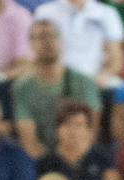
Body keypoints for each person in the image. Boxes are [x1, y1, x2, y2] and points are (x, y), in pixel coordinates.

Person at [13, 19, 102, 158]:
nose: (47, 42)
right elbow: (28, 139)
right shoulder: (22, 88)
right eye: (41, 37)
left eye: (52, 36)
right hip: (43, 163)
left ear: (62, 41)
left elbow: (91, 131)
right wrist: (51, 165)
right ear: (31, 45)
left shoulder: (85, 82)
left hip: (80, 158)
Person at [34, 0, 124, 87]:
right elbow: (36, 52)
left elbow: (116, 59)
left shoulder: (107, 13)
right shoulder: (45, 12)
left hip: (94, 80)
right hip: (56, 79)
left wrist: (104, 75)